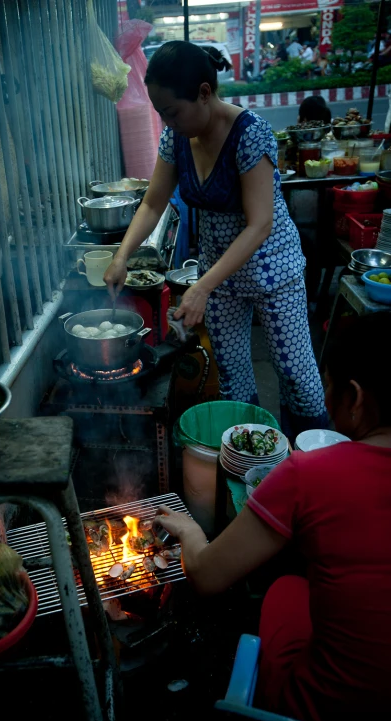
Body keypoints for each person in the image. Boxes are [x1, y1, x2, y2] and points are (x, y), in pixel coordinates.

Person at [153, 312, 391, 721]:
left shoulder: (308, 473)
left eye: (329, 384)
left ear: (354, 398)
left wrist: (191, 532)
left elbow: (206, 577)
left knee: (284, 591)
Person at [104, 40, 328, 438]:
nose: (167, 122)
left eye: (172, 111)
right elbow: (154, 203)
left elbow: (259, 224)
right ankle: (249, 468)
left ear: (205, 93)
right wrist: (121, 256)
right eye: (160, 113)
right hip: (220, 275)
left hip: (272, 269)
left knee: (298, 379)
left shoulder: (250, 134)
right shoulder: (175, 139)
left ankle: (308, 462)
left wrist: (202, 287)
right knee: (234, 378)